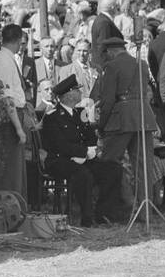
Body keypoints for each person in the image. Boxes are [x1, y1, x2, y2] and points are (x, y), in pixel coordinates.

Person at [40, 74, 124, 226]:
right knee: (83, 174)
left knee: (113, 169)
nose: (80, 93)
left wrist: (91, 149)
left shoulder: (80, 114)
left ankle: (103, 213)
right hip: (59, 160)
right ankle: (87, 217)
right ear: (69, 95)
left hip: (82, 158)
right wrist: (83, 151)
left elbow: (90, 136)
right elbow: (59, 145)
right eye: (77, 90)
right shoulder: (53, 117)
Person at [93, 34, 158, 205]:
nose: (104, 57)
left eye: (104, 54)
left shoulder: (112, 67)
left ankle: (115, 206)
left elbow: (107, 101)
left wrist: (101, 125)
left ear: (111, 52)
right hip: (144, 117)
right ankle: (146, 208)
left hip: (121, 119)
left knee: (109, 163)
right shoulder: (142, 64)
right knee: (143, 167)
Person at [0, 22, 30, 199]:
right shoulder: (4, 60)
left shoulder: (5, 58)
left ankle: (15, 206)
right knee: (10, 171)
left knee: (14, 169)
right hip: (7, 121)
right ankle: (8, 207)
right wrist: (19, 129)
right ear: (18, 41)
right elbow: (7, 98)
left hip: (11, 117)